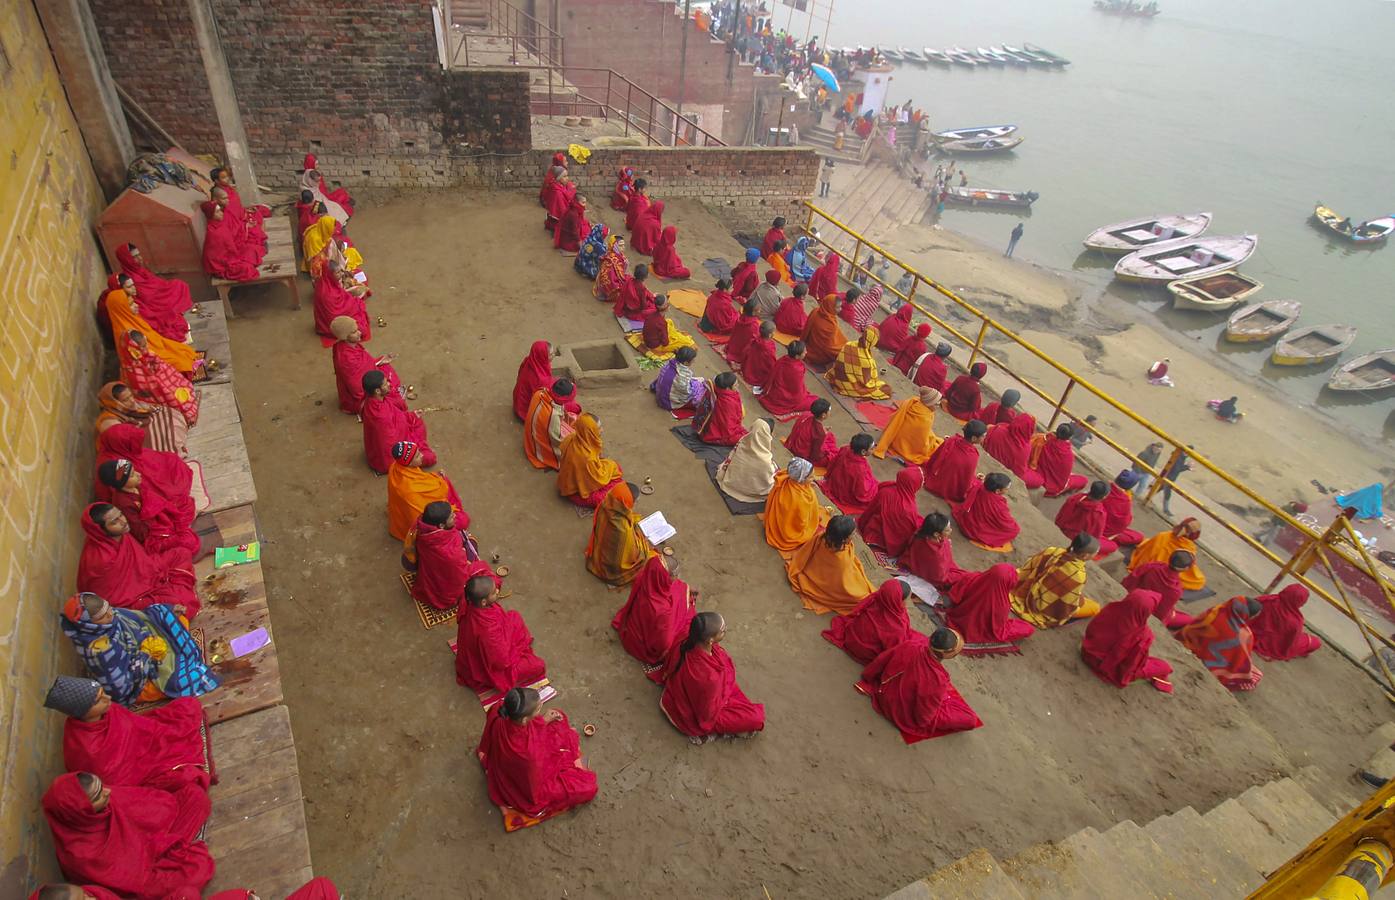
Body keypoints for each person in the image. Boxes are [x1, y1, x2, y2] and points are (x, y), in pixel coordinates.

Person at [41, 770, 214, 899]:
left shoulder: (101, 804)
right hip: (145, 875)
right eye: (98, 796)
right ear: (81, 811)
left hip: (152, 843)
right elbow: (135, 883)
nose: (107, 792)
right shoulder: (82, 856)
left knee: (194, 796)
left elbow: (145, 808)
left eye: (102, 787)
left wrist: (158, 842)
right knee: (194, 872)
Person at [46, 675, 212, 792]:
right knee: (187, 780)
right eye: (99, 700)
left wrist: (161, 736)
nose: (108, 698)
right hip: (139, 771)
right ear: (83, 712)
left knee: (189, 704)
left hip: (150, 738)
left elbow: (140, 726)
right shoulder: (88, 751)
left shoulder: (107, 710)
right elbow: (115, 783)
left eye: (103, 692)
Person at [59, 592, 219, 706]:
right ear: (89, 624)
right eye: (104, 616)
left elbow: (139, 617)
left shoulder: (108, 617)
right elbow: (121, 689)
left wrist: (168, 610)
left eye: (108, 608)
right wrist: (146, 654)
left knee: (171, 616)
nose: (111, 614)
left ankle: (178, 655)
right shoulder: (99, 651)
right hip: (140, 677)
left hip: (143, 642)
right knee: (179, 682)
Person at [476, 687, 597, 819]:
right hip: (526, 778)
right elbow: (534, 789)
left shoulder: (498, 709)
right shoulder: (528, 754)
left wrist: (544, 720)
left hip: (513, 759)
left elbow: (530, 731)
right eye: (538, 709)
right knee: (588, 787)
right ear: (524, 720)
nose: (541, 708)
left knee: (557, 717)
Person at [856, 629, 983, 743]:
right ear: (949, 654)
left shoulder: (910, 645)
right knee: (970, 719)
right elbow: (923, 718)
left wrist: (868, 677)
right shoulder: (937, 680)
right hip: (900, 713)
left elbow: (880, 661)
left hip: (883, 691)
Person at [659, 612, 765, 743]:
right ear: (710, 640)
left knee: (730, 685)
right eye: (722, 630)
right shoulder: (709, 677)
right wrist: (723, 699)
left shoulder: (687, 635)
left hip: (689, 691)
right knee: (756, 718)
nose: (725, 630)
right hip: (693, 714)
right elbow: (706, 716)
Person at [78, 502, 198, 618]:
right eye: (115, 522)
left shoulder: (119, 534)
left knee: (181, 553)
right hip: (131, 601)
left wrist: (150, 575)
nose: (123, 521)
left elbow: (142, 562)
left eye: (120, 515)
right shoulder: (101, 560)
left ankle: (173, 589)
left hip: (146, 572)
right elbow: (115, 602)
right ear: (101, 530)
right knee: (176, 603)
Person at [455, 575, 548, 696]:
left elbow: (489, 579)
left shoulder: (468, 599)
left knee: (514, 615)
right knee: (538, 665)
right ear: (484, 602)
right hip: (489, 662)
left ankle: (518, 644)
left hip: (486, 644)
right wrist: (513, 645)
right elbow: (501, 662)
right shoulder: (488, 631)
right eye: (494, 592)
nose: (498, 591)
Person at [611, 556, 696, 679]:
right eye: (674, 575)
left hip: (636, 626)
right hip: (647, 643)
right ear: (664, 577)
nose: (677, 578)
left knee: (681, 588)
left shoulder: (644, 577)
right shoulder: (662, 611)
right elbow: (664, 643)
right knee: (687, 617)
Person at [97, 458, 198, 558]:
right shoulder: (124, 504)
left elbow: (152, 499)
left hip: (159, 517)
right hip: (152, 532)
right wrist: (158, 522)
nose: (138, 474)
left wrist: (160, 511)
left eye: (135, 471)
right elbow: (141, 533)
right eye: (132, 475)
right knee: (188, 541)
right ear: (122, 483)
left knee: (185, 504)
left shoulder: (134, 486)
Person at [403, 501, 494, 612]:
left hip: (431, 573)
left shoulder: (421, 528)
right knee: (481, 564)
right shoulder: (450, 554)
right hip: (446, 593)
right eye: (451, 517)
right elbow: (460, 578)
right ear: (441, 526)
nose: (454, 516)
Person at [1080, 590, 1175, 692]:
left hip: (1087, 651)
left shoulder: (1111, 609)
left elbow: (1091, 629)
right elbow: (1130, 666)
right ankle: (1163, 682)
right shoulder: (1143, 635)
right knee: (1164, 666)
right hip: (1106, 669)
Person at [100, 276, 197, 376]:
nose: (136, 306)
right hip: (150, 362)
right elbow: (144, 359)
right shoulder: (125, 334)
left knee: (184, 351)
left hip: (156, 349)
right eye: (132, 304)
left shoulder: (133, 318)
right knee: (181, 363)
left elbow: (155, 338)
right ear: (123, 309)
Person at [785, 515, 875, 615]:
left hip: (816, 569)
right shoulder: (842, 560)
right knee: (862, 598)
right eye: (852, 534)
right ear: (844, 539)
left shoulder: (822, 536)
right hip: (826, 581)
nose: (854, 535)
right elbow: (844, 585)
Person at [1010, 534, 1102, 628]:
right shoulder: (1078, 575)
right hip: (1041, 607)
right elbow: (1066, 605)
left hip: (1024, 589)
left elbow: (1029, 567)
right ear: (1085, 556)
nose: (1097, 553)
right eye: (1096, 552)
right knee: (1095, 608)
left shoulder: (1053, 550)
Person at [1175, 597, 1264, 691]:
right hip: (1210, 665)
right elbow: (1240, 658)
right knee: (1257, 675)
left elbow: (1194, 626)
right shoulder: (1244, 635)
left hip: (1188, 645)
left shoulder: (1216, 611)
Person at [944, 563, 1035, 653]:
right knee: (1027, 628)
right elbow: (997, 628)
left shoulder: (973, 578)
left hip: (956, 617)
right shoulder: (1002, 605)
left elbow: (955, 595)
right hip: (975, 631)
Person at [115, 244, 193, 344]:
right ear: (126, 260)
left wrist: (164, 289)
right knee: (164, 316)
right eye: (134, 257)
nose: (139, 258)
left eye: (139, 255)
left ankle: (171, 306)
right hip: (152, 303)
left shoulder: (141, 270)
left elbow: (158, 283)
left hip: (161, 295)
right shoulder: (127, 279)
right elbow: (145, 297)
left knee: (179, 284)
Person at [118, 331, 199, 427]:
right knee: (173, 398)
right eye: (143, 347)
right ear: (133, 350)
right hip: (152, 397)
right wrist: (164, 387)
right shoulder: (132, 371)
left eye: (145, 345)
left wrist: (157, 366)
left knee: (181, 384)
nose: (146, 348)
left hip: (158, 381)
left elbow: (164, 368)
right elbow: (152, 387)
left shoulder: (145, 355)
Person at [361, 371, 435, 475]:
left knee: (416, 420)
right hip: (387, 457)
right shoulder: (381, 417)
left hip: (391, 438)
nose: (389, 385)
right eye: (385, 384)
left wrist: (411, 416)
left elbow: (395, 414)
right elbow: (390, 446)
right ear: (377, 391)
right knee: (430, 457)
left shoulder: (372, 401)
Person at [822, 581, 915, 664]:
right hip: (866, 653)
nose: (906, 603)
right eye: (905, 600)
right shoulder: (897, 626)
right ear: (898, 601)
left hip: (851, 637)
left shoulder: (877, 598)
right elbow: (892, 652)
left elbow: (857, 611)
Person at [387, 441, 463, 541]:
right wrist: (440, 481)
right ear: (409, 463)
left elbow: (420, 479)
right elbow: (423, 516)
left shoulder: (395, 467)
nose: (422, 455)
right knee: (462, 520)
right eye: (418, 456)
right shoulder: (409, 490)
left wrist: (437, 477)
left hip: (400, 518)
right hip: (415, 525)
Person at [330, 316, 402, 415]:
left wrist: (379, 361)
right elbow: (356, 386)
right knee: (395, 400)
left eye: (357, 329)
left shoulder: (345, 345)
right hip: (359, 395)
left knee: (386, 368)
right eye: (354, 332)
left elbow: (364, 364)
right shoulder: (347, 359)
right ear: (345, 337)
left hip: (365, 378)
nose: (359, 332)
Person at [93, 381, 187, 458]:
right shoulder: (108, 421)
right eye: (126, 399)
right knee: (154, 436)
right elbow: (125, 443)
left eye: (131, 396)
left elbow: (146, 409)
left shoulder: (127, 407)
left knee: (168, 414)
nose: (132, 400)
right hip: (128, 450)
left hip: (136, 429)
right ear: (115, 403)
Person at [585, 486, 654, 585]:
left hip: (599, 552)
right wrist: (644, 545)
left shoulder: (606, 504)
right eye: (635, 502)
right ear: (626, 503)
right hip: (610, 568)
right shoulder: (623, 529)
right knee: (651, 558)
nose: (636, 504)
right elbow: (632, 554)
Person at [558, 414, 628, 508]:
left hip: (567, 482)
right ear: (589, 432)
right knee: (612, 487)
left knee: (613, 467)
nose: (602, 430)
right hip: (576, 491)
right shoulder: (587, 458)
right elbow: (596, 481)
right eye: (598, 428)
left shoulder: (571, 437)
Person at [762, 458, 828, 553]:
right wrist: (812, 518)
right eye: (810, 477)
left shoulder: (787, 480)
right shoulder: (799, 499)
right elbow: (801, 523)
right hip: (789, 532)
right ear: (801, 479)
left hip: (780, 522)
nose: (813, 479)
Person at [857, 468, 924, 556]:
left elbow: (870, 510)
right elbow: (906, 534)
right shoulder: (910, 508)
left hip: (871, 532)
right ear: (913, 484)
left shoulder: (885, 490)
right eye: (921, 481)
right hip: (888, 544)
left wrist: (862, 525)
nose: (922, 484)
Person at [1121, 550, 1196, 627]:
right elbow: (1161, 612)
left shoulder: (1153, 565)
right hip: (1147, 609)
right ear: (1185, 568)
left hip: (1134, 594)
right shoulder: (1176, 589)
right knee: (1188, 619)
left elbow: (1133, 577)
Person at [900, 512, 969, 592]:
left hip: (914, 564)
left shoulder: (922, 534)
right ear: (936, 534)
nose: (951, 530)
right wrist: (946, 546)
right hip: (933, 574)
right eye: (947, 530)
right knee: (964, 578)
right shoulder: (936, 554)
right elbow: (940, 577)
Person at [1128, 518, 1205, 591]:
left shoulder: (1163, 535)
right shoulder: (1189, 548)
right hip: (1169, 570)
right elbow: (1187, 565)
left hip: (1148, 566)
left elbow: (1148, 549)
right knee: (1199, 580)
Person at [1249, 584, 1322, 661]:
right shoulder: (1296, 622)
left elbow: (1249, 610)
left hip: (1250, 633)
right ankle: (1266, 652)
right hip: (1272, 645)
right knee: (1315, 642)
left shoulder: (1268, 599)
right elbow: (1290, 644)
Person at [922, 420, 987, 504]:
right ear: (974, 438)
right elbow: (966, 479)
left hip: (935, 477)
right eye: (983, 436)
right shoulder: (972, 456)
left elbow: (935, 458)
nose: (984, 438)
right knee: (977, 485)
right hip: (949, 489)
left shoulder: (952, 439)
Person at [873, 387, 942, 465]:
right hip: (905, 447)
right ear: (929, 403)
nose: (938, 405)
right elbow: (921, 444)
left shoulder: (915, 402)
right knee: (935, 448)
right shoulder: (924, 419)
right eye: (936, 403)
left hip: (897, 440)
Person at [952, 473, 1020, 552]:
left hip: (966, 521)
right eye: (1006, 488)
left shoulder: (980, 487)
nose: (1008, 490)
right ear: (998, 491)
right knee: (1015, 530)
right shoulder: (998, 505)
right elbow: (1008, 525)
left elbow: (973, 483)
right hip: (975, 531)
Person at [524, 378, 581, 470]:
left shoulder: (540, 392)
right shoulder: (553, 416)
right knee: (577, 452)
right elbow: (557, 441)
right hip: (540, 444)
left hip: (535, 432)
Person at [715, 419, 778, 502]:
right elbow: (767, 480)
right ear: (767, 434)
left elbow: (730, 459)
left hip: (731, 483)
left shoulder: (742, 442)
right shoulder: (765, 460)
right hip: (751, 491)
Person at [199, 201, 261, 281]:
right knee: (247, 268)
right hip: (223, 266)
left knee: (252, 250)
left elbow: (232, 241)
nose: (221, 213)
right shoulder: (214, 233)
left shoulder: (220, 224)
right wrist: (235, 260)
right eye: (217, 212)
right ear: (211, 215)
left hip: (232, 255)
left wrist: (246, 226)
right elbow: (217, 258)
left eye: (220, 210)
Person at [312, 261, 370, 345]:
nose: (341, 274)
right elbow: (334, 315)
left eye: (341, 271)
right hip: (330, 325)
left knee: (358, 297)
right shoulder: (325, 293)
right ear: (330, 274)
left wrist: (351, 294)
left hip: (337, 314)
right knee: (363, 330)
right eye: (338, 272)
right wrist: (354, 301)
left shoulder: (326, 282)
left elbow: (340, 295)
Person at [827, 325, 892, 400]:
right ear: (872, 341)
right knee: (886, 390)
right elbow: (868, 382)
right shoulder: (867, 361)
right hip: (847, 386)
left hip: (836, 378)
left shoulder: (849, 344)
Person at [1053, 480, 1116, 556]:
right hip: (1079, 541)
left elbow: (1061, 516)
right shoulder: (1099, 513)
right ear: (1104, 496)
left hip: (1062, 528)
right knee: (1113, 546)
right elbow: (1095, 536)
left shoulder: (1076, 498)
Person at [758, 341, 821, 416]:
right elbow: (797, 390)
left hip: (775, 392)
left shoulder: (783, 359)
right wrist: (804, 394)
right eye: (804, 352)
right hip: (786, 398)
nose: (806, 352)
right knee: (816, 401)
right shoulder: (797, 369)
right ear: (797, 356)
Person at [821, 433, 879, 513]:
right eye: (872, 448)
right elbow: (861, 493)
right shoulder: (860, 469)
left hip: (835, 483)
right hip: (845, 493)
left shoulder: (845, 449)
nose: (874, 450)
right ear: (863, 451)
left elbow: (833, 463)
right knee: (875, 490)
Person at [982, 413, 1042, 488]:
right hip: (1005, 474)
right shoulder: (1025, 448)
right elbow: (1019, 472)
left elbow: (984, 438)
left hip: (987, 460)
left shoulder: (998, 428)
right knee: (1039, 480)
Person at [1029, 423, 1089, 498]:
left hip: (1036, 477)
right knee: (1084, 480)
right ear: (1069, 437)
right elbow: (1064, 476)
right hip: (1053, 488)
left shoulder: (1043, 441)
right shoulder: (1068, 454)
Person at [696, 373, 749, 446]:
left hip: (712, 426)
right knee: (746, 439)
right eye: (735, 385)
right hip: (715, 433)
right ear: (727, 388)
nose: (738, 386)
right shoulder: (727, 402)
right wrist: (739, 430)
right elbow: (727, 428)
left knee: (747, 435)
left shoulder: (719, 388)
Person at [782, 397, 837, 465]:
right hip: (802, 455)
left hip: (792, 443)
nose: (830, 413)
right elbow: (815, 455)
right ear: (823, 415)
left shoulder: (806, 414)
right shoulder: (820, 433)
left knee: (829, 436)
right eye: (829, 410)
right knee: (832, 457)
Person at [801, 292, 849, 367]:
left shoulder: (815, 311)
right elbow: (828, 349)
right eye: (838, 307)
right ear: (830, 307)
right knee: (845, 352)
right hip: (818, 355)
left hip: (807, 346)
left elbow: (805, 331)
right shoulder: (830, 325)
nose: (840, 309)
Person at [301, 153, 354, 219]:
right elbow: (315, 209)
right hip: (320, 206)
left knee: (336, 203)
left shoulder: (309, 180)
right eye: (316, 164)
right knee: (335, 209)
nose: (319, 183)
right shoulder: (310, 198)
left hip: (320, 199)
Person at [512, 340, 555, 421]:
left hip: (519, 402)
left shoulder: (529, 360)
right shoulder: (539, 378)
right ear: (543, 356)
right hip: (525, 411)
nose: (553, 355)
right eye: (550, 354)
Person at [724, 297, 762, 368]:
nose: (760, 311)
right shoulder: (754, 325)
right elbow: (754, 341)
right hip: (741, 351)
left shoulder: (741, 317)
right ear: (753, 312)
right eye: (759, 310)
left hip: (733, 345)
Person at [593, 234, 630, 303]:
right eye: (620, 245)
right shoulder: (611, 262)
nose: (623, 247)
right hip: (607, 291)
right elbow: (613, 280)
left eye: (623, 245)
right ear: (614, 246)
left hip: (606, 284)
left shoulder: (612, 254)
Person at [741, 321, 779, 388]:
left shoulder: (755, 340)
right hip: (758, 377)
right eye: (774, 332)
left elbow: (745, 352)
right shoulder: (769, 347)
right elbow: (771, 364)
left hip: (747, 370)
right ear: (770, 335)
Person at [1158, 446, 1193, 516]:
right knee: (1167, 494)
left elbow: (1178, 469)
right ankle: (1166, 510)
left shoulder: (1182, 457)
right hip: (1168, 478)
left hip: (1170, 478)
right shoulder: (1179, 457)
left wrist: (1187, 467)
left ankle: (1146, 497)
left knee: (1157, 488)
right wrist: (1187, 467)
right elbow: (1177, 469)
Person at [541, 167, 575, 233]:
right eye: (564, 176)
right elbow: (562, 210)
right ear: (559, 178)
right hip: (558, 219)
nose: (567, 178)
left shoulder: (559, 185)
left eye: (567, 176)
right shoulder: (557, 192)